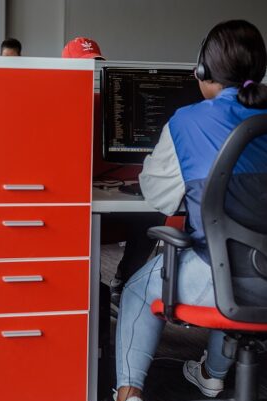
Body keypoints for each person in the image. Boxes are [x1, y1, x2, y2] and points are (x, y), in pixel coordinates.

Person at [111, 19, 267, 401]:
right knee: (233, 266)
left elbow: (159, 196)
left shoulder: (187, 121)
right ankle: (211, 374)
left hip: (223, 279)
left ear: (203, 73)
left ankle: (128, 397)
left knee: (138, 287)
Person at [62, 36, 162, 305]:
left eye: (94, 64)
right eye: (82, 65)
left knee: (152, 216)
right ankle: (86, 290)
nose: (90, 71)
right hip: (76, 200)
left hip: (113, 194)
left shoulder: (112, 102)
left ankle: (127, 281)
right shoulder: (58, 104)